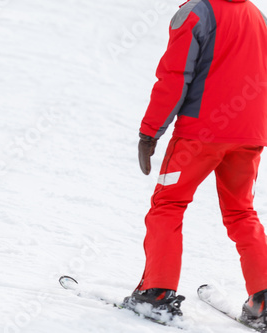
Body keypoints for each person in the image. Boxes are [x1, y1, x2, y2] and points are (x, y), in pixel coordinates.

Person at [122, 0, 267, 326]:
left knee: (168, 205)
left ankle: (156, 294)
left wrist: (149, 133)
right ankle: (264, 299)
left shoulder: (196, 12)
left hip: (199, 135)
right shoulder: (259, 16)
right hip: (250, 137)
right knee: (242, 212)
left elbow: (174, 76)